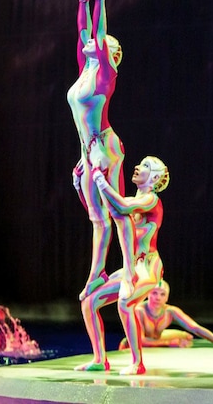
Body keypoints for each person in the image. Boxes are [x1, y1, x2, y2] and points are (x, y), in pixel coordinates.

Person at [77, 155, 168, 375]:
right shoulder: (130, 201)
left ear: (154, 178)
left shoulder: (151, 200)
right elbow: (100, 213)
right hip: (133, 266)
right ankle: (100, 359)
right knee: (89, 303)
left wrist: (99, 177)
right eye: (140, 163)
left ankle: (138, 363)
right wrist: (80, 184)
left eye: (145, 166)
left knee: (125, 302)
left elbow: (122, 206)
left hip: (148, 266)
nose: (137, 167)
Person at [68, 0, 131, 302]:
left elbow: (99, 33)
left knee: (116, 212)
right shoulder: (85, 71)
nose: (95, 41)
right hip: (87, 149)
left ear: (112, 54)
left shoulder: (106, 73)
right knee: (97, 219)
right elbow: (83, 32)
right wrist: (82, 1)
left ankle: (130, 269)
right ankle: (96, 275)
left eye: (107, 45)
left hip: (105, 147)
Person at [117, 280, 213, 350]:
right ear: (148, 295)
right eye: (154, 293)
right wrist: (171, 343)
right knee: (177, 338)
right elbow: (141, 341)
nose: (158, 298)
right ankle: (177, 336)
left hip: (156, 339)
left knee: (187, 336)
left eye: (162, 294)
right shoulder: (139, 311)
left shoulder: (170, 311)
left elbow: (195, 328)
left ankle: (180, 334)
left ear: (167, 298)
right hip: (132, 346)